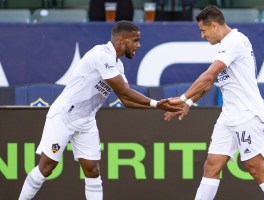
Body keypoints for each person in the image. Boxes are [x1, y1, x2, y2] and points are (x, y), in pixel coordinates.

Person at [18, 20, 181, 200]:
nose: (138, 45)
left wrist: (158, 106)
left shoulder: (118, 65)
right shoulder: (101, 55)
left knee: (92, 171)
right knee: (47, 167)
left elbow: (125, 100)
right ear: (122, 40)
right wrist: (157, 104)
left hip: (86, 121)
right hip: (64, 116)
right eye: (135, 40)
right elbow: (124, 91)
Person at [164, 5, 264, 200]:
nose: (202, 36)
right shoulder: (224, 45)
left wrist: (183, 97)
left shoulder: (235, 41)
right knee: (211, 165)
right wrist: (189, 102)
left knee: (256, 169)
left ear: (214, 26)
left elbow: (209, 74)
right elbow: (210, 82)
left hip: (246, 114)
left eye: (203, 31)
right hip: (228, 116)